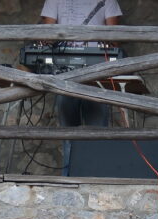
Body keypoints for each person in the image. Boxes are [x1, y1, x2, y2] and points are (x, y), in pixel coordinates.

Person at [40, 0, 122, 129]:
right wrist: (49, 39)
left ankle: (94, 148)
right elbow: (47, 36)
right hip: (64, 70)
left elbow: (114, 39)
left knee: (98, 129)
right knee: (67, 129)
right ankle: (72, 148)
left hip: (97, 70)